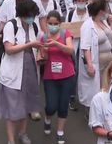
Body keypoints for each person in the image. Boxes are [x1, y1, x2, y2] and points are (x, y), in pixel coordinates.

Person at [0, 0, 43, 144]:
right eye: (29, 15)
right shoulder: (11, 26)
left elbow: (38, 45)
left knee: (27, 105)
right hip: (13, 72)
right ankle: (11, 140)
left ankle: (23, 133)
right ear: (22, 14)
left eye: (33, 16)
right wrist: (30, 44)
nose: (32, 18)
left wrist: (40, 51)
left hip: (30, 71)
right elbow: (9, 49)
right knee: (13, 110)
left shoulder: (33, 26)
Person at [39, 11, 75, 144]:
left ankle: (60, 131)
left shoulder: (66, 34)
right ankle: (47, 119)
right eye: (50, 24)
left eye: (56, 24)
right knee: (51, 105)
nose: (53, 26)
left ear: (60, 24)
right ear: (46, 23)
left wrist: (56, 44)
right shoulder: (43, 37)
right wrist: (44, 53)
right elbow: (43, 57)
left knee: (63, 105)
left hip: (67, 74)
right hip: (50, 76)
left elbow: (70, 50)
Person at [78, 0, 112, 111]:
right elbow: (86, 47)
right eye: (107, 9)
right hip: (96, 61)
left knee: (106, 86)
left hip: (108, 61)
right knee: (93, 89)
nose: (109, 11)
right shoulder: (88, 25)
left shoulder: (104, 22)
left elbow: (111, 36)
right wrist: (89, 64)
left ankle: (103, 109)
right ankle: (90, 111)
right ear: (101, 11)